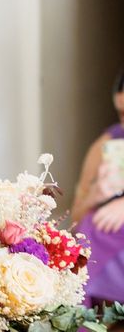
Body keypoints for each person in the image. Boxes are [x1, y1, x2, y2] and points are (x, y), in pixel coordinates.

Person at [72, 69, 124, 308]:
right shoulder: (106, 145)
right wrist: (94, 195)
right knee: (89, 229)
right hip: (106, 236)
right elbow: (76, 218)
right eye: (122, 114)